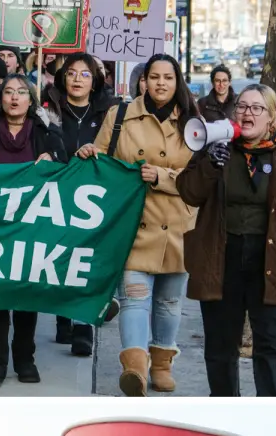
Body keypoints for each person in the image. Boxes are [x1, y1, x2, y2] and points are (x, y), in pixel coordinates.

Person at [78, 53, 198, 396]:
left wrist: (163, 176)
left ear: (178, 83)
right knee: (134, 298)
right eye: (154, 76)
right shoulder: (120, 116)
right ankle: (136, 369)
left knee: (169, 302)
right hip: (132, 223)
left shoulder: (192, 122)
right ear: (143, 81)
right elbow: (103, 160)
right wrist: (89, 154)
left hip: (178, 225)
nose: (161, 83)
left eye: (168, 77)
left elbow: (202, 178)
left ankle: (162, 364)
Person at [176, 82, 276, 396]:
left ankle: (274, 417)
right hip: (221, 255)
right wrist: (209, 166)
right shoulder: (218, 148)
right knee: (220, 346)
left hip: (271, 261)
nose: (247, 113)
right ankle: (227, 411)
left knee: (272, 347)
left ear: (271, 117)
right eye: (242, 106)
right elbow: (188, 192)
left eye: (256, 108)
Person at [0, 74, 65, 387]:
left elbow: (67, 170)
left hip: (31, 228)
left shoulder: (44, 131)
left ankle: (25, 359)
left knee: (25, 295)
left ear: (30, 99)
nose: (14, 98)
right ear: (1, 98)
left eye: (21, 92)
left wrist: (54, 159)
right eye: (8, 91)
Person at [42, 52, 118, 356]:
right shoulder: (47, 111)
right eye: (71, 73)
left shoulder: (109, 114)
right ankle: (63, 317)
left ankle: (83, 325)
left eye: (84, 74)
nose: (77, 79)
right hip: (58, 196)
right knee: (61, 259)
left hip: (93, 199)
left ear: (94, 80)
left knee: (87, 261)